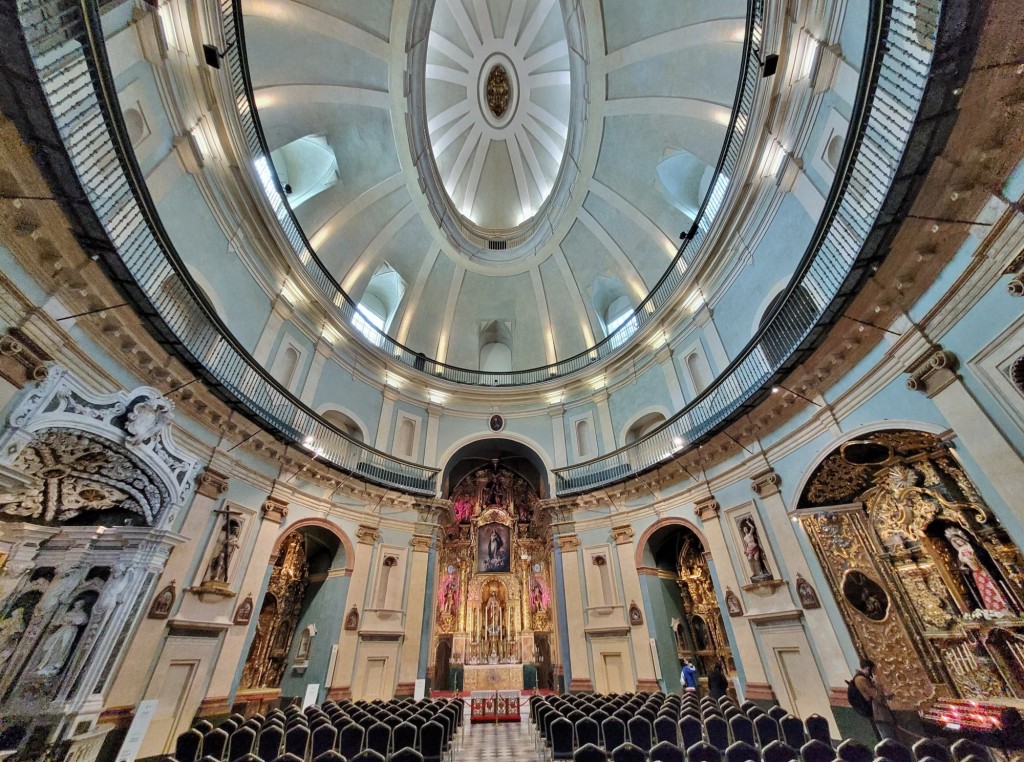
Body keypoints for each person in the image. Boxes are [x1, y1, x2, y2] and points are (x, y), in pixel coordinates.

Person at [853, 658, 898, 740]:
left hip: (876, 711)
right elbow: (876, 695)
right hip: (877, 712)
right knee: (888, 736)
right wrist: (877, 684)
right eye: (872, 670)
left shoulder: (859, 678)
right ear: (867, 668)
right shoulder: (861, 679)